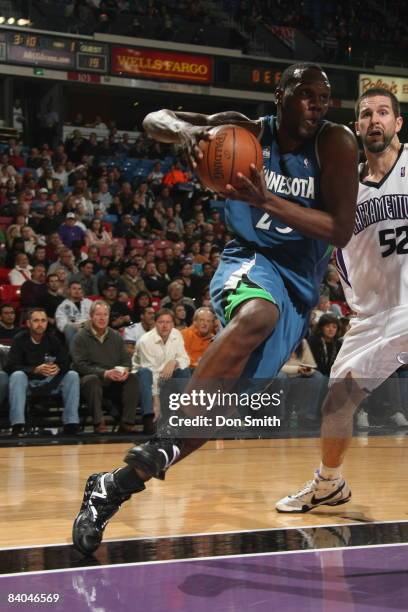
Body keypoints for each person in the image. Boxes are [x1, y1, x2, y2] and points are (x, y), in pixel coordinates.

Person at [72, 62, 359, 554]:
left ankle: (111, 487)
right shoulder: (242, 130)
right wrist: (187, 129)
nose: (317, 104)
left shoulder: (335, 143)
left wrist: (266, 198)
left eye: (324, 96)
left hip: (300, 286)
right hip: (249, 259)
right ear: (280, 94)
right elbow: (153, 119)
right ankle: (166, 432)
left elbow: (339, 230)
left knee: (215, 415)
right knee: (256, 316)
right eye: (306, 93)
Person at [275, 86, 408, 512]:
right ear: (356, 127)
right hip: (371, 317)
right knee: (337, 402)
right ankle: (329, 483)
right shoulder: (340, 188)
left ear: (397, 123)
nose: (375, 120)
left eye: (383, 112)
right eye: (366, 113)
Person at [6, 308, 81, 436]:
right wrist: (35, 369)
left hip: (49, 381)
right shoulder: (19, 339)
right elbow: (10, 366)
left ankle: (71, 423)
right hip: (28, 382)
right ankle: (18, 425)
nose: (40, 324)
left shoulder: (53, 339)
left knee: (72, 375)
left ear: (47, 323)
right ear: (28, 323)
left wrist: (58, 367)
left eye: (43, 320)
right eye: (36, 321)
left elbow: (66, 362)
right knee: (17, 376)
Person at [72, 301, 139, 434]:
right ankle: (98, 423)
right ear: (91, 316)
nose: (102, 318)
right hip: (91, 379)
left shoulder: (116, 337)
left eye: (105, 314)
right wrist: (105, 373)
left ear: (109, 317)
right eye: (98, 314)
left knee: (132, 378)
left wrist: (125, 370)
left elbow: (126, 362)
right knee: (92, 380)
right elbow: (79, 365)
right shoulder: (80, 337)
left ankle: (127, 423)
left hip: (113, 378)